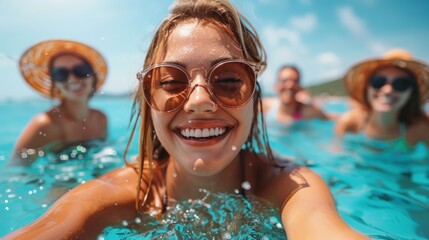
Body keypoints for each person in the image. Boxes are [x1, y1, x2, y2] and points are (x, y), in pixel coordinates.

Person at [4, 1, 367, 239]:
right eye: (171, 82)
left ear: (255, 98)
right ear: (149, 99)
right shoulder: (114, 194)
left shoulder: (289, 187)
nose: (198, 102)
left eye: (228, 80)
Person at [10, 40, 108, 166]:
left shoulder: (100, 119)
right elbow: (16, 170)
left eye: (81, 70)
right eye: (61, 74)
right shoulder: (44, 125)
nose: (72, 79)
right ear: (55, 83)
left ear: (93, 77)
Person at [335, 49, 429, 150]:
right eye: (378, 81)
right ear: (367, 87)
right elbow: (337, 154)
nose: (387, 90)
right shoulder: (350, 122)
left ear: (411, 93)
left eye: (401, 83)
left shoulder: (420, 130)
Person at [263, 65, 328, 126]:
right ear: (275, 86)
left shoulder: (308, 112)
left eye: (295, 81)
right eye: (284, 80)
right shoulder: (265, 106)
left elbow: (334, 119)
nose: (290, 85)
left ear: (300, 87)